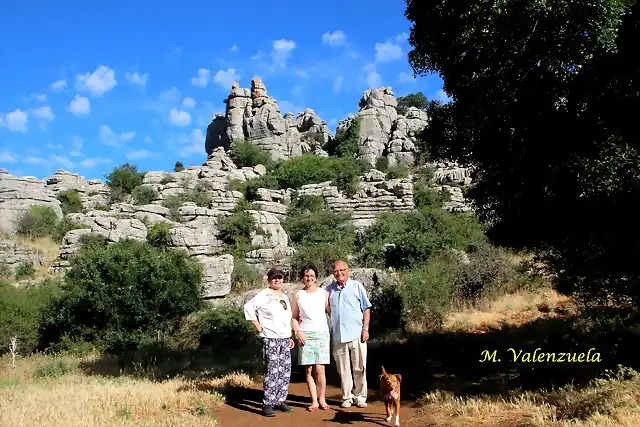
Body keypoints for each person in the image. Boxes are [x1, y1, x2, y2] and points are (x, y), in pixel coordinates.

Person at [243, 267, 295, 417]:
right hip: (270, 338)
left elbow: (286, 319)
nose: (277, 280)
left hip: (284, 339)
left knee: (284, 372)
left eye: (279, 278)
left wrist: (290, 336)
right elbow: (248, 307)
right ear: (269, 280)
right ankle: (268, 404)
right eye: (274, 278)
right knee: (272, 371)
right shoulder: (264, 294)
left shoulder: (284, 297)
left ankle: (280, 400)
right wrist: (257, 325)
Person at [326, 260, 372, 408]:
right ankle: (347, 396)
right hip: (339, 335)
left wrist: (365, 329)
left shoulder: (356, 286)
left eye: (342, 270)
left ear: (348, 270)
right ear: (333, 273)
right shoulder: (329, 290)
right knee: (343, 369)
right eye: (336, 271)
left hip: (356, 333)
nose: (339, 273)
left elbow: (366, 308)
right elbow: (326, 309)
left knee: (359, 367)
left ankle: (360, 396)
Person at [291, 264, 331, 412]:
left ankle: (322, 399)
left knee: (320, 369)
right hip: (305, 334)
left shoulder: (323, 293)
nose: (309, 278)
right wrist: (297, 332)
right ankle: (313, 401)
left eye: (312, 275)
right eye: (307, 275)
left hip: (321, 334)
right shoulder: (298, 295)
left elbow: (331, 311)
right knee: (308, 370)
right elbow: (294, 317)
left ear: (316, 277)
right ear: (303, 278)